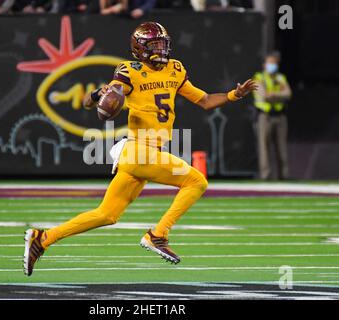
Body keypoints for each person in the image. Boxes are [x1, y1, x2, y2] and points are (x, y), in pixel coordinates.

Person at [23, 21, 257, 276]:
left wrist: (234, 95)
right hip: (139, 150)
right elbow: (99, 100)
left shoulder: (175, 69)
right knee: (196, 181)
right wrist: (101, 96)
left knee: (106, 215)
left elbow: (204, 100)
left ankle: (43, 238)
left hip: (142, 155)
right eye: (155, 44)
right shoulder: (129, 71)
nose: (162, 49)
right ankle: (158, 235)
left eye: (163, 43)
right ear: (140, 48)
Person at [253, 52, 292, 180]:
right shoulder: (259, 78)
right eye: (270, 62)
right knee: (264, 147)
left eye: (274, 63)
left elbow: (288, 94)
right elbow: (264, 96)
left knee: (282, 147)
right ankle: (266, 176)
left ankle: (283, 176)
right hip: (265, 116)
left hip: (280, 116)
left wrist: (273, 95)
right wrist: (278, 95)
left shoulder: (280, 78)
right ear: (264, 64)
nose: (272, 65)